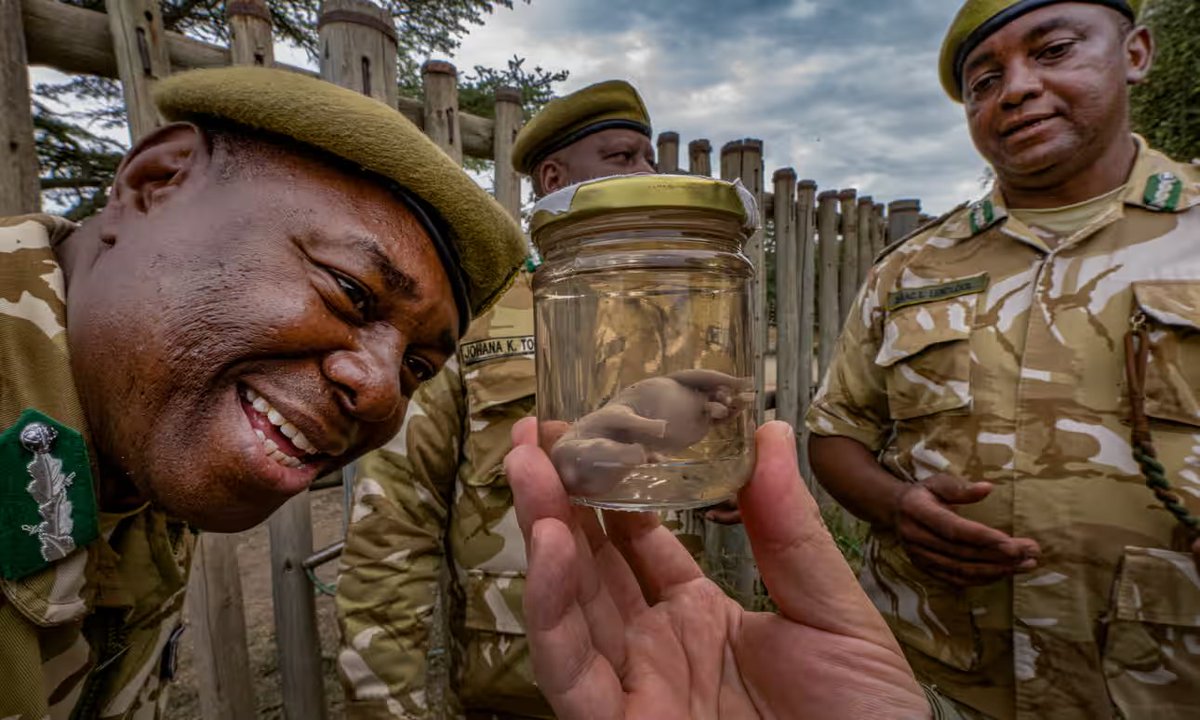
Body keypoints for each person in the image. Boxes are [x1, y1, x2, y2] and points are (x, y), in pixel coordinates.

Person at [0, 65, 526, 719]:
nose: (382, 393)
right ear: (154, 184)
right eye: (351, 290)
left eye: (416, 368)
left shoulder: (138, 441)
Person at [806, 0, 1200, 717]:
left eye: (1052, 51)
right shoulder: (912, 268)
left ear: (1136, 53)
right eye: (984, 81)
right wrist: (897, 507)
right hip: (942, 678)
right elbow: (836, 432)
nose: (1015, 88)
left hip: (1164, 686)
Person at [336, 79, 732, 720]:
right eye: (623, 157)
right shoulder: (472, 319)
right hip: (515, 691)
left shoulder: (681, 313)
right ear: (554, 177)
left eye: (649, 157)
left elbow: (700, 458)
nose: (647, 172)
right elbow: (393, 527)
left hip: (669, 674)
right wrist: (388, 707)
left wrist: (721, 476)